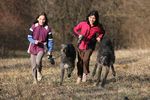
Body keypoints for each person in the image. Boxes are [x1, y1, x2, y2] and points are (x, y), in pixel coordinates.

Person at [73, 10, 105, 84]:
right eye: (90, 17)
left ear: (96, 19)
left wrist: (99, 37)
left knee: (86, 59)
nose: (92, 19)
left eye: (94, 18)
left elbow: (102, 32)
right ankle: (79, 76)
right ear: (88, 17)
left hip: (90, 45)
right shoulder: (83, 23)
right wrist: (78, 35)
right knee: (80, 62)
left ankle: (85, 73)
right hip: (81, 44)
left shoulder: (98, 26)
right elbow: (75, 29)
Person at [27, 12, 54, 84]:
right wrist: (34, 41)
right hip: (33, 47)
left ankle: (39, 71)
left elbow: (50, 40)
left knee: (38, 61)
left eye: (43, 19)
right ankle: (35, 80)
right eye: (40, 19)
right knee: (33, 66)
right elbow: (29, 37)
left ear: (45, 20)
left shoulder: (48, 28)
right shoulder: (33, 26)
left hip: (42, 47)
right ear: (37, 19)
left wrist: (50, 50)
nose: (42, 21)